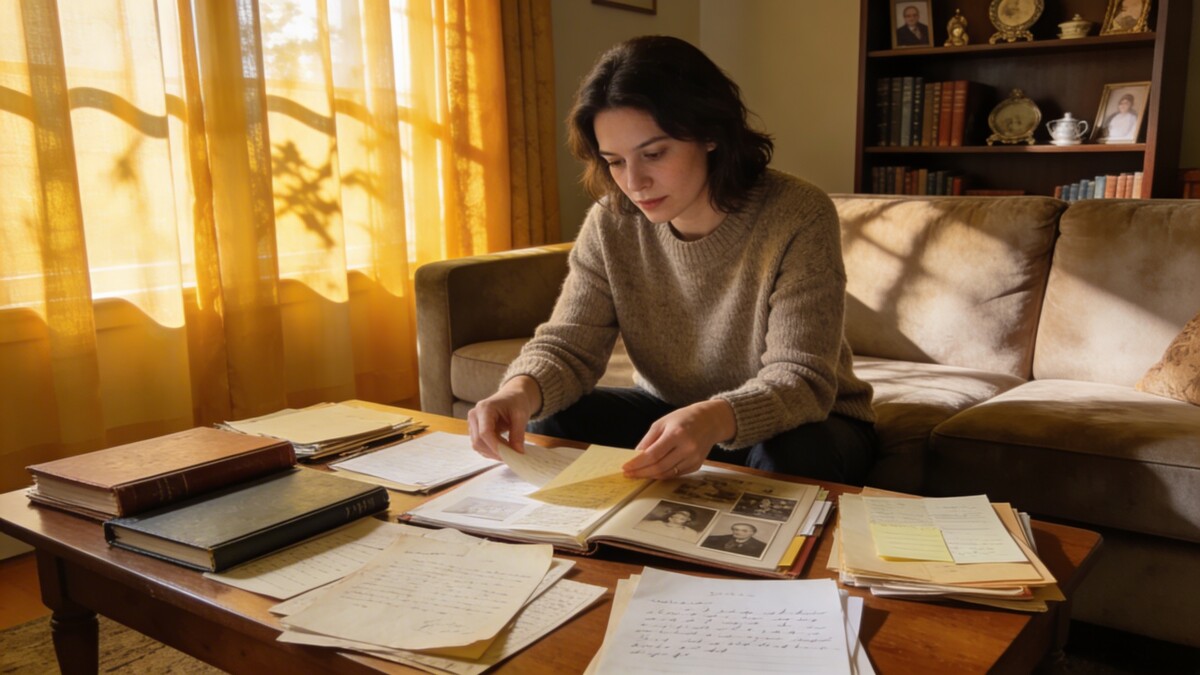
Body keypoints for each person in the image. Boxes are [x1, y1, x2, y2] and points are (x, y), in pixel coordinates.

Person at [467, 35, 877, 484]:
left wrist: (712, 418)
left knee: (795, 455)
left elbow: (801, 379)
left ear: (709, 134)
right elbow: (568, 345)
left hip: (807, 423)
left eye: (654, 154)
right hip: (672, 413)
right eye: (615, 162)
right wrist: (517, 392)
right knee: (552, 423)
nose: (634, 182)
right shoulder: (611, 222)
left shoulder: (798, 213)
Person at [635, 507, 702, 542]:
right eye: (680, 514)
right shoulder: (655, 524)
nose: (683, 516)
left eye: (686, 516)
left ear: (689, 519)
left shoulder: (690, 533)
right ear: (671, 517)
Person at [701, 522, 768, 557]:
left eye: (744, 531)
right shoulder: (715, 539)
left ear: (752, 533)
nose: (738, 532)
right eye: (736, 529)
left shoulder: (761, 547)